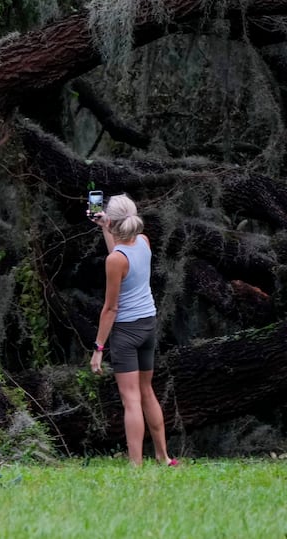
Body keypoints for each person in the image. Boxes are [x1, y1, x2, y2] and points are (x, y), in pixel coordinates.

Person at [90, 193, 178, 467]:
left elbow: (110, 309)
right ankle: (163, 457)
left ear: (115, 222)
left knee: (131, 400)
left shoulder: (116, 259)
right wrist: (107, 227)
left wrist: (98, 348)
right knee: (146, 391)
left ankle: (135, 465)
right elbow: (118, 254)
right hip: (148, 324)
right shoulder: (143, 242)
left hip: (126, 332)